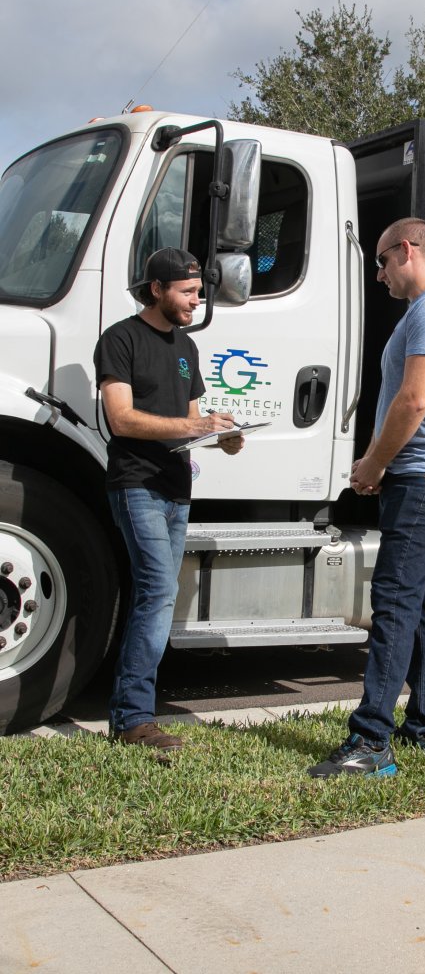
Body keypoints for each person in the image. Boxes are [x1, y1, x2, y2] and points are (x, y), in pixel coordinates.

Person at [310, 218, 425, 778]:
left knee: (396, 601)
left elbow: (414, 400)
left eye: (381, 262)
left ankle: (370, 742)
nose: (378, 275)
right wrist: (384, 463)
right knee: (422, 601)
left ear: (407, 250)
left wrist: (375, 462)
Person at [94, 247, 244, 752]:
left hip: (178, 489)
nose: (196, 302)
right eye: (187, 292)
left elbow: (191, 422)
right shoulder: (120, 340)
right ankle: (134, 719)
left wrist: (221, 435)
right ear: (156, 289)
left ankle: (133, 710)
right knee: (157, 593)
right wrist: (194, 424)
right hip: (137, 484)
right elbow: (122, 419)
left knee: (157, 595)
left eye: (199, 293)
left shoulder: (187, 348)